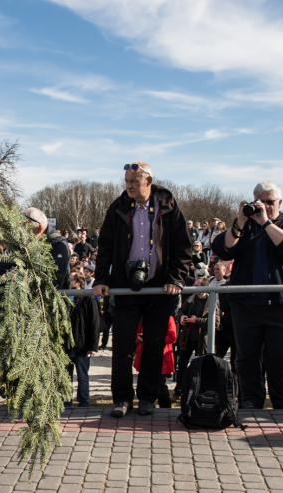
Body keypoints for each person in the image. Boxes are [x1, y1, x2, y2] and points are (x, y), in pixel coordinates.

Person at [92, 161, 192, 417]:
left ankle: (148, 398)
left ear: (148, 181)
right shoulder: (118, 206)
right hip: (126, 287)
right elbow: (105, 245)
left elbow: (183, 246)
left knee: (154, 346)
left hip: (160, 289)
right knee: (122, 346)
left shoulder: (168, 205)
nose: (128, 186)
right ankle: (122, 399)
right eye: (126, 181)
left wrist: (176, 279)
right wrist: (101, 278)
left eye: (134, 182)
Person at [212, 181, 283, 409]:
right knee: (246, 356)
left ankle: (281, 401)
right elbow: (223, 249)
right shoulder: (244, 227)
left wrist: (266, 222)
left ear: (280, 203)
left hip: (280, 304)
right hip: (246, 304)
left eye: (270, 202)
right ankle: (251, 399)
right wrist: (240, 222)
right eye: (260, 202)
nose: (264, 206)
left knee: (280, 357)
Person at [66, 273, 99, 408]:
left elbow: (94, 324)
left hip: (82, 345)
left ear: (79, 282)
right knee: (66, 376)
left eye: (72, 279)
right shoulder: (65, 297)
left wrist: (93, 347)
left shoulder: (88, 299)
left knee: (82, 376)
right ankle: (66, 401)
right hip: (66, 346)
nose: (69, 280)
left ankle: (83, 401)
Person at [174, 276, 210, 392]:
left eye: (197, 285)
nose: (194, 287)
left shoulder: (211, 301)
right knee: (182, 364)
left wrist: (196, 321)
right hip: (187, 338)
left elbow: (215, 323)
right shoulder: (190, 299)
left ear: (204, 288)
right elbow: (181, 311)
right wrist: (181, 317)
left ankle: (199, 391)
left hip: (202, 340)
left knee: (201, 366)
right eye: (194, 285)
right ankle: (179, 390)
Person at [21, 208, 71, 289]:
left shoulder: (58, 244)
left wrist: (31, 286)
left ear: (39, 229)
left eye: (27, 231)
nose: (25, 236)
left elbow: (56, 280)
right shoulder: (30, 244)